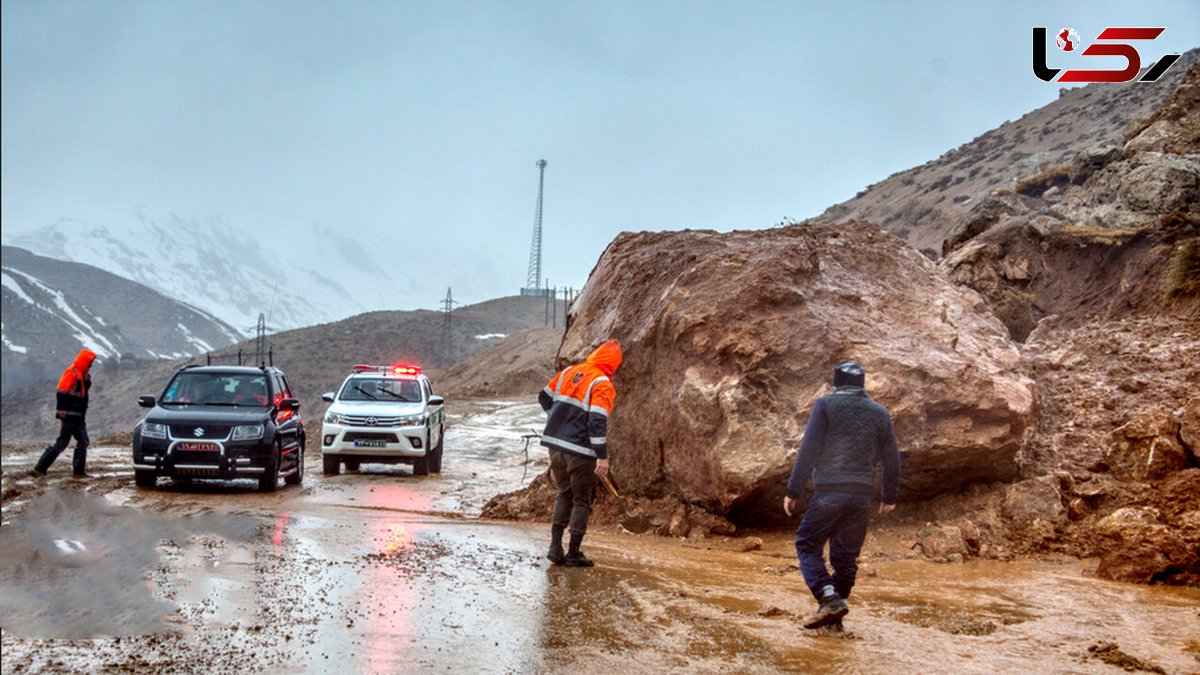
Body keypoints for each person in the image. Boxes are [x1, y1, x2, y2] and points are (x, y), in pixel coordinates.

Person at [784, 359, 901, 629]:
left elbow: (809, 449)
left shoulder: (825, 405)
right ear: (862, 384)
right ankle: (835, 617)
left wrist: (793, 489)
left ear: (836, 383)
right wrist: (889, 496)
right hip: (861, 497)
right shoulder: (879, 412)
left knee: (807, 543)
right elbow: (891, 457)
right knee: (845, 557)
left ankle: (828, 596)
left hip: (829, 492)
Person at [538, 339, 622, 568]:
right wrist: (602, 455)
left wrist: (557, 418)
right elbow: (596, 421)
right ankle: (574, 553)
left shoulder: (569, 372)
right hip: (580, 451)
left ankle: (555, 547)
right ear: (613, 365)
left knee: (564, 494)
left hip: (555, 445)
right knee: (582, 500)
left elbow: (544, 397)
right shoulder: (602, 383)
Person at [34, 349, 97, 477]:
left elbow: (80, 394)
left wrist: (87, 383)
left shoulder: (80, 374)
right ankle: (40, 468)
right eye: (89, 363)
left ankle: (78, 472)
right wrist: (62, 410)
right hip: (69, 415)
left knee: (83, 441)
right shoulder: (72, 372)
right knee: (62, 443)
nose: (90, 366)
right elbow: (61, 392)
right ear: (84, 362)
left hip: (78, 416)